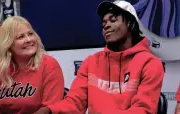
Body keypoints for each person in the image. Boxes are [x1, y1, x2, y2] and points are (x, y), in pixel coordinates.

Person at [36, 1, 164, 114]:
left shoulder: (150, 63)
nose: (106, 25)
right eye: (104, 24)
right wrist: (50, 110)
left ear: (130, 24)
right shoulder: (91, 62)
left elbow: (143, 109)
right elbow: (75, 103)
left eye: (113, 20)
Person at [0, 16, 64, 114]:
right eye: (21, 37)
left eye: (30, 34)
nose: (28, 40)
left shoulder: (49, 65)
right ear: (8, 43)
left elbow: (51, 108)